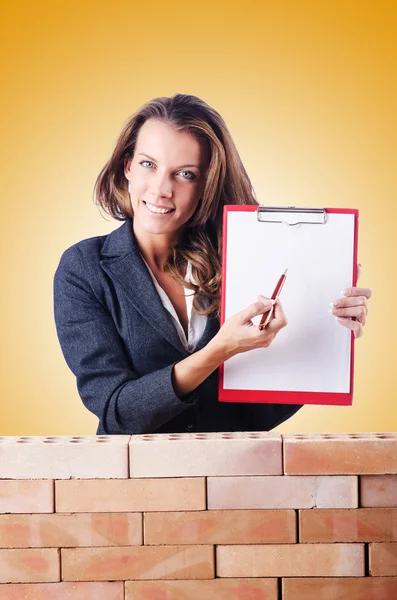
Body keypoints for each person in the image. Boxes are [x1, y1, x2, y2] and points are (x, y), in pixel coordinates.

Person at [53, 93, 372, 435]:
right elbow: (118, 413)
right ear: (127, 165)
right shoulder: (85, 268)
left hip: (235, 476)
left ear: (207, 183)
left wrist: (324, 333)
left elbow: (254, 418)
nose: (162, 189)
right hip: (134, 480)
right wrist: (219, 351)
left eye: (185, 174)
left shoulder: (239, 260)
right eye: (149, 164)